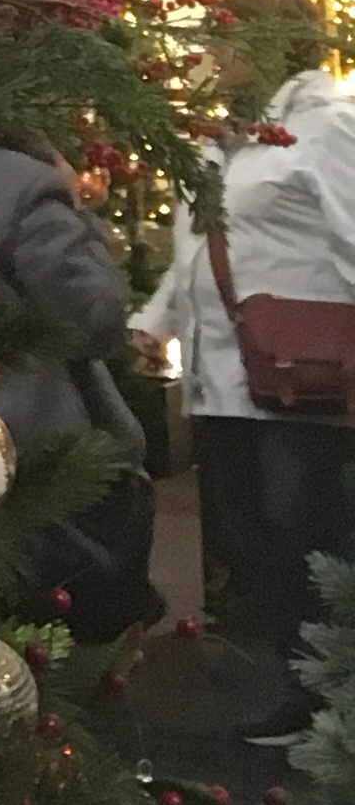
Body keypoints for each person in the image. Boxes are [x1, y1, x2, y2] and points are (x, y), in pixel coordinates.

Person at [140, 59, 355, 735]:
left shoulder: (326, 128)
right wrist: (157, 318)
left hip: (307, 374)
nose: (201, 62)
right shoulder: (215, 144)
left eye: (215, 48)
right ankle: (300, 680)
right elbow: (200, 250)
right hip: (222, 377)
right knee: (245, 532)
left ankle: (319, 693)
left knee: (307, 536)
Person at [0, 123, 161, 640]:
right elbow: (95, 315)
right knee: (63, 638)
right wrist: (75, 206)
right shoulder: (18, 179)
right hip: (33, 456)